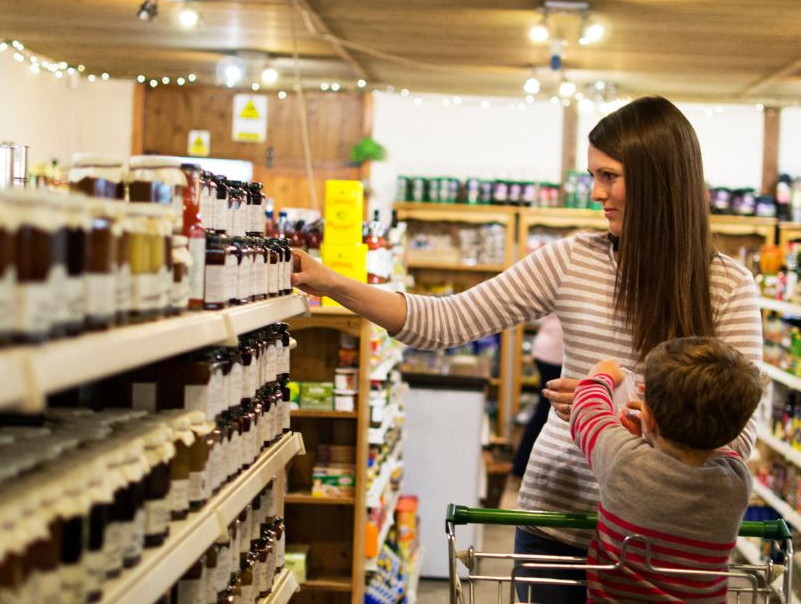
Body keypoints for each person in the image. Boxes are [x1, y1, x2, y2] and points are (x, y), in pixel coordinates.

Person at [290, 95, 762, 603]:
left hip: (662, 542)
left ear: (657, 180)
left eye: (609, 176)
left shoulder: (727, 285)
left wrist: (607, 403)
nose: (595, 193)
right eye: (593, 176)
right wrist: (330, 282)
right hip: (556, 524)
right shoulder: (571, 260)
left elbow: (741, 429)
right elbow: (445, 321)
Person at [570, 338, 763, 603]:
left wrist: (601, 375)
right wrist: (653, 433)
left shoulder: (624, 460)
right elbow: (718, 441)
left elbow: (587, 412)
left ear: (648, 416)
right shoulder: (737, 480)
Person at [512, 313, 563, 477]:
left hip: (546, 350)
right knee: (546, 412)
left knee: (544, 411)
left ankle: (521, 466)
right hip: (554, 354)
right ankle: (521, 466)